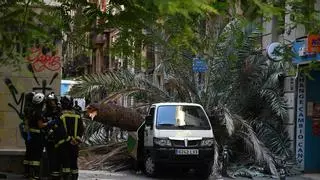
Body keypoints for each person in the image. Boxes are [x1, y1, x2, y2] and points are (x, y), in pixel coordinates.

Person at [53, 95, 84, 180]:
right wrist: (77, 139)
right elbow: (81, 129)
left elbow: (59, 130)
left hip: (64, 144)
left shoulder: (61, 115)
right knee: (74, 163)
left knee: (65, 163)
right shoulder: (77, 115)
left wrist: (69, 139)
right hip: (75, 144)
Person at [28, 92, 56, 180]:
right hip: (37, 137)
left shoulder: (31, 111)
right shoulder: (39, 113)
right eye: (44, 102)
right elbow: (40, 125)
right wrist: (49, 123)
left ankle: (31, 175)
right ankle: (36, 175)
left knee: (32, 156)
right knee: (37, 156)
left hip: (32, 136)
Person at [43, 92, 61, 179]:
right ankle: (51, 173)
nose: (52, 103)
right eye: (50, 101)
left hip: (58, 138)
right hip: (49, 138)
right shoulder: (45, 112)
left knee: (58, 156)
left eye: (53, 101)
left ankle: (57, 174)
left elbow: (61, 122)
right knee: (50, 156)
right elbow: (43, 124)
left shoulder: (59, 111)